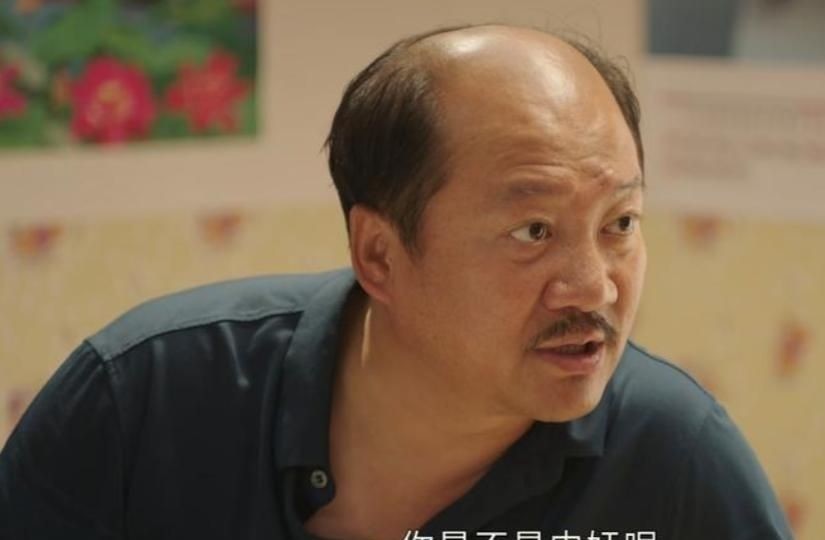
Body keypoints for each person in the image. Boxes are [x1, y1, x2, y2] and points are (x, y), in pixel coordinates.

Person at [0, 24, 792, 540]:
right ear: (378, 255)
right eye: (532, 232)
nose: (593, 287)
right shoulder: (144, 401)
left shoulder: (675, 460)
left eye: (620, 223)